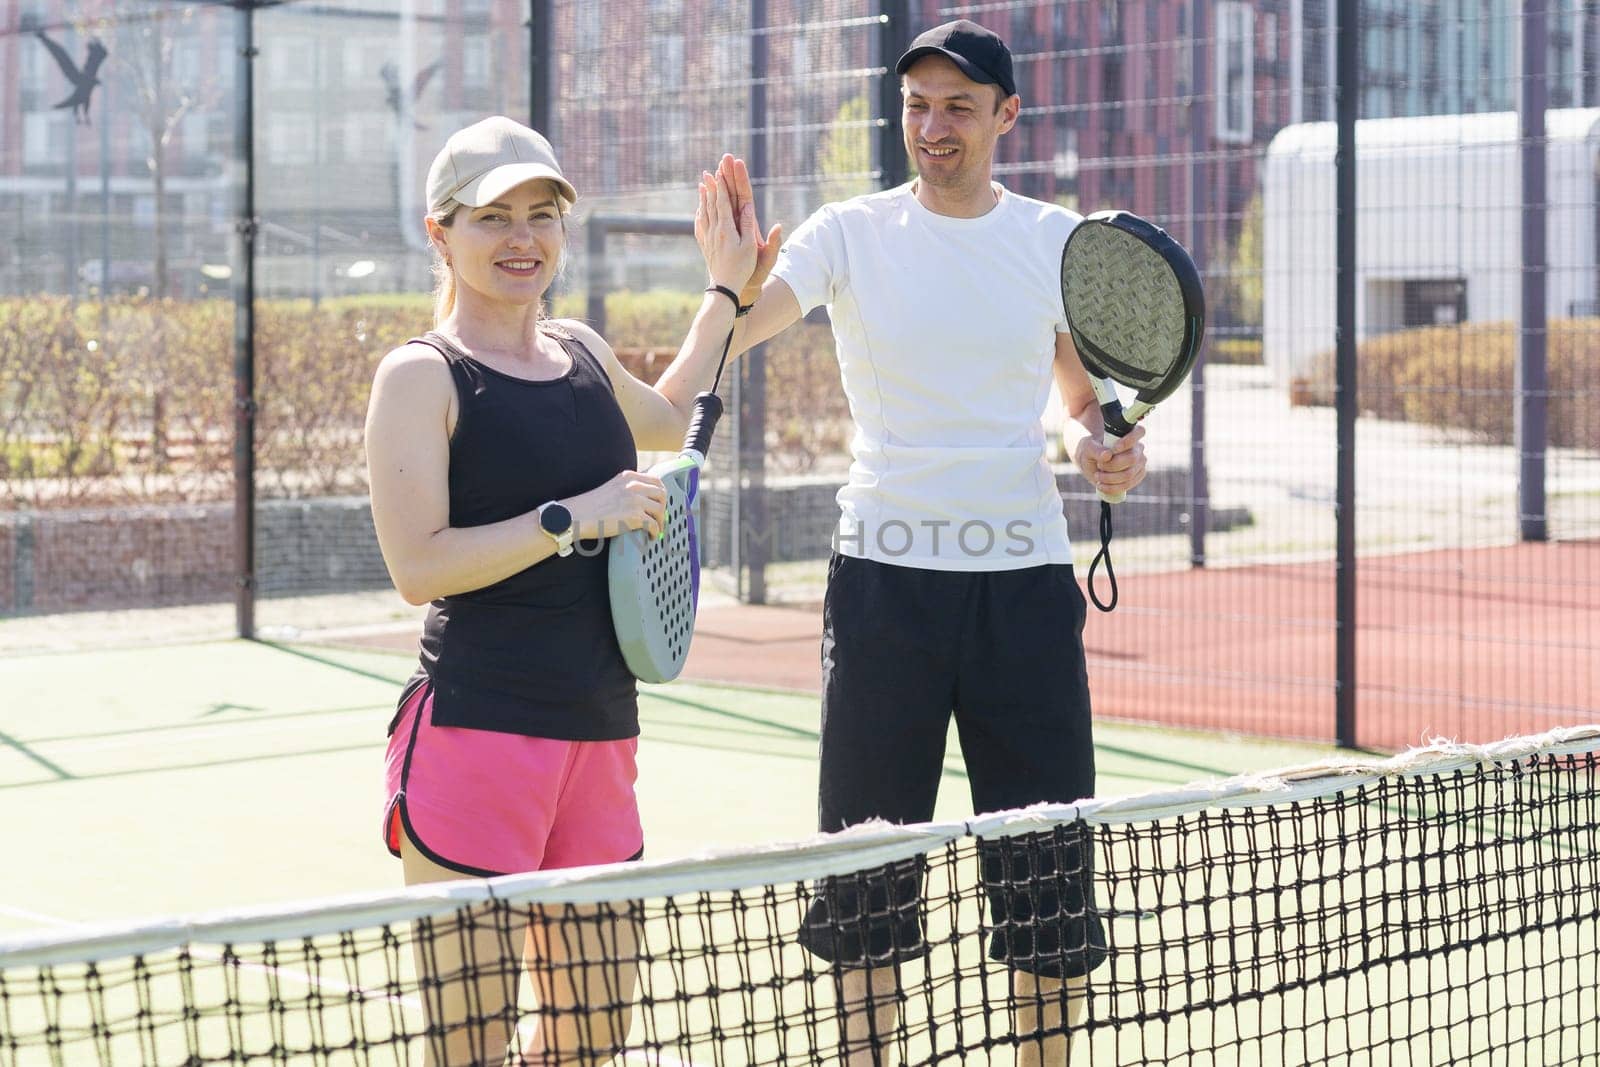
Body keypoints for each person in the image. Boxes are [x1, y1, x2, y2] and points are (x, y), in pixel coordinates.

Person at [717, 19, 1147, 1065]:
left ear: (1007, 115)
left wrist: (1100, 447)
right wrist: (729, 278)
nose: (933, 123)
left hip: (1025, 587)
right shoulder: (846, 232)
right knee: (867, 872)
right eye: (917, 103)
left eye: (959, 104)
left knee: (1044, 871)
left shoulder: (1054, 240)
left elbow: (1080, 398)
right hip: (884, 586)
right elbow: (740, 323)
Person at [364, 115, 770, 1067]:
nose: (522, 238)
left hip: (600, 735)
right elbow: (417, 566)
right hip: (477, 733)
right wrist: (574, 515)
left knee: (590, 1038)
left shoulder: (582, 349)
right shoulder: (421, 376)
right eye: (493, 217)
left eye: (541, 214)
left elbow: (669, 419)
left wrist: (725, 287)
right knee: (469, 1047)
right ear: (440, 232)